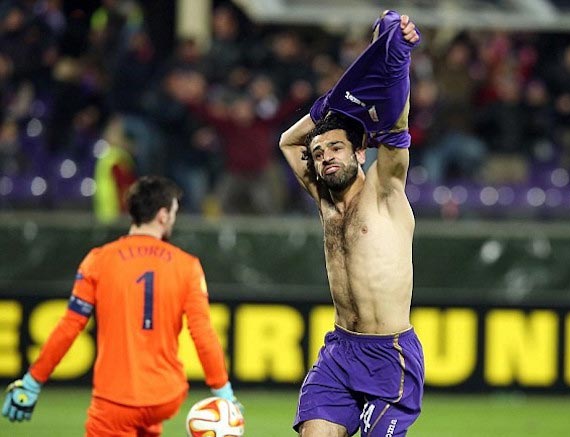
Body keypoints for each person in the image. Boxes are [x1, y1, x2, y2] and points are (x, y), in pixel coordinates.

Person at [2, 176, 241, 436]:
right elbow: (202, 333)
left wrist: (33, 381)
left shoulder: (98, 260)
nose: (173, 218)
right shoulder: (188, 266)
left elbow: (70, 326)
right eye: (173, 212)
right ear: (162, 215)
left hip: (115, 401)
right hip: (164, 397)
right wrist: (222, 391)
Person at [279, 11, 424, 437]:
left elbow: (396, 125)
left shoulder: (385, 190)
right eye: (320, 154)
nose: (326, 158)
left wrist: (395, 58)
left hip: (390, 356)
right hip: (340, 351)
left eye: (336, 148)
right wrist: (325, 111)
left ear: (361, 152)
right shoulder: (325, 201)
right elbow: (288, 141)